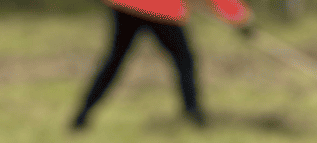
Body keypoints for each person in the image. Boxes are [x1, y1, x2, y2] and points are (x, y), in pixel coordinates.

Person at [71, 0, 254, 130]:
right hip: (161, 9)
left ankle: (82, 115)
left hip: (126, 5)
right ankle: (193, 115)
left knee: (115, 60)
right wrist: (241, 20)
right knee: (184, 60)